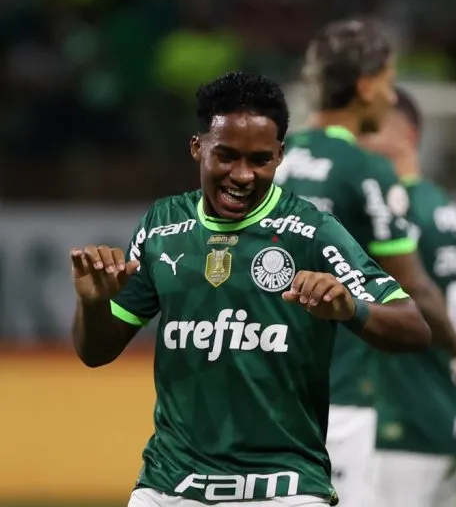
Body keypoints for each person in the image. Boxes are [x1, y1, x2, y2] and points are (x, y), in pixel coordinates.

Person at [70, 71, 432, 507]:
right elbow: (96, 352)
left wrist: (349, 307)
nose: (242, 175)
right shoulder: (162, 226)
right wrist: (93, 304)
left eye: (260, 160)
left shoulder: (313, 231)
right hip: (169, 486)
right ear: (197, 147)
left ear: (280, 156)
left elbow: (414, 327)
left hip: (284, 488)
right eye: (226, 156)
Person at [275, 19, 456, 507]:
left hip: (269, 390)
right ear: (364, 86)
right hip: (339, 399)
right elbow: (415, 290)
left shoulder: (273, 161)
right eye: (387, 84)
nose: (390, 98)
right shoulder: (366, 170)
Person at [358, 86, 456, 507]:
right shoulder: (444, 209)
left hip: (406, 422)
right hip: (453, 419)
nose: (358, 141)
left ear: (406, 136)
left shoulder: (394, 215)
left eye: (369, 129)